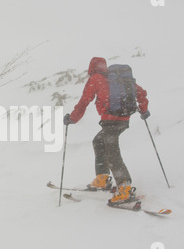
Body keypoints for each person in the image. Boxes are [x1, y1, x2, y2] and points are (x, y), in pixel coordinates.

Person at [63, 57, 150, 205]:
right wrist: (144, 110)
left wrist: (72, 118)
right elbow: (140, 93)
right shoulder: (119, 79)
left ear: (91, 67)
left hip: (111, 120)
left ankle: (124, 189)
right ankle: (102, 179)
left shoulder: (96, 79)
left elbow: (84, 101)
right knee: (98, 141)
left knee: (112, 150)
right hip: (124, 119)